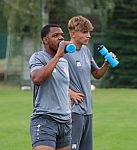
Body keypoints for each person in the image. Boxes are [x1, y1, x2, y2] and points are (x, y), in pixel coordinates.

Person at [64, 15, 117, 150]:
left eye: (89, 32)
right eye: (84, 32)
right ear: (73, 33)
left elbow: (97, 74)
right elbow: (53, 79)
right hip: (73, 111)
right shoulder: (63, 53)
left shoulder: (86, 51)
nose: (89, 36)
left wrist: (106, 63)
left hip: (88, 110)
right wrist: (70, 93)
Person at [29, 24, 72, 150]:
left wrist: (69, 113)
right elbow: (37, 79)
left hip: (64, 123)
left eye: (62, 35)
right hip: (45, 120)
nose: (61, 38)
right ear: (45, 40)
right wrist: (58, 55)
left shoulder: (64, 62)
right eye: (55, 35)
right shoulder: (38, 57)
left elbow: (64, 89)